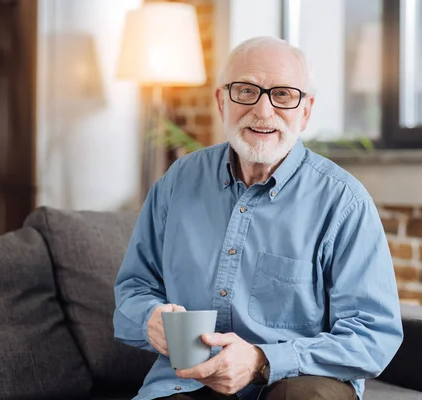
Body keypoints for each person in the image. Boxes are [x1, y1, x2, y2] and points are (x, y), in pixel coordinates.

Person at [114, 36, 403, 400]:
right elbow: (133, 290)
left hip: (299, 382)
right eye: (246, 91)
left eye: (283, 95)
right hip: (188, 382)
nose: (264, 112)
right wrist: (148, 319)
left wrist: (261, 359)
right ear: (222, 101)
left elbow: (372, 335)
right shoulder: (177, 183)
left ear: (306, 110)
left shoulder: (344, 202)